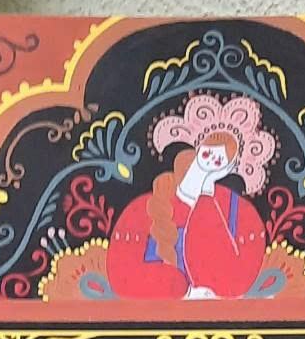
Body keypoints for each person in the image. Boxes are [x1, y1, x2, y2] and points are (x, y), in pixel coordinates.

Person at [108, 122, 268, 300]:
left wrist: (206, 192)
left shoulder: (236, 209)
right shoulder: (147, 206)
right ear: (197, 151)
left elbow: (234, 281)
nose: (211, 162)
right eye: (208, 153)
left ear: (228, 169)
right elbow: (122, 275)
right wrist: (183, 291)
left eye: (219, 161)